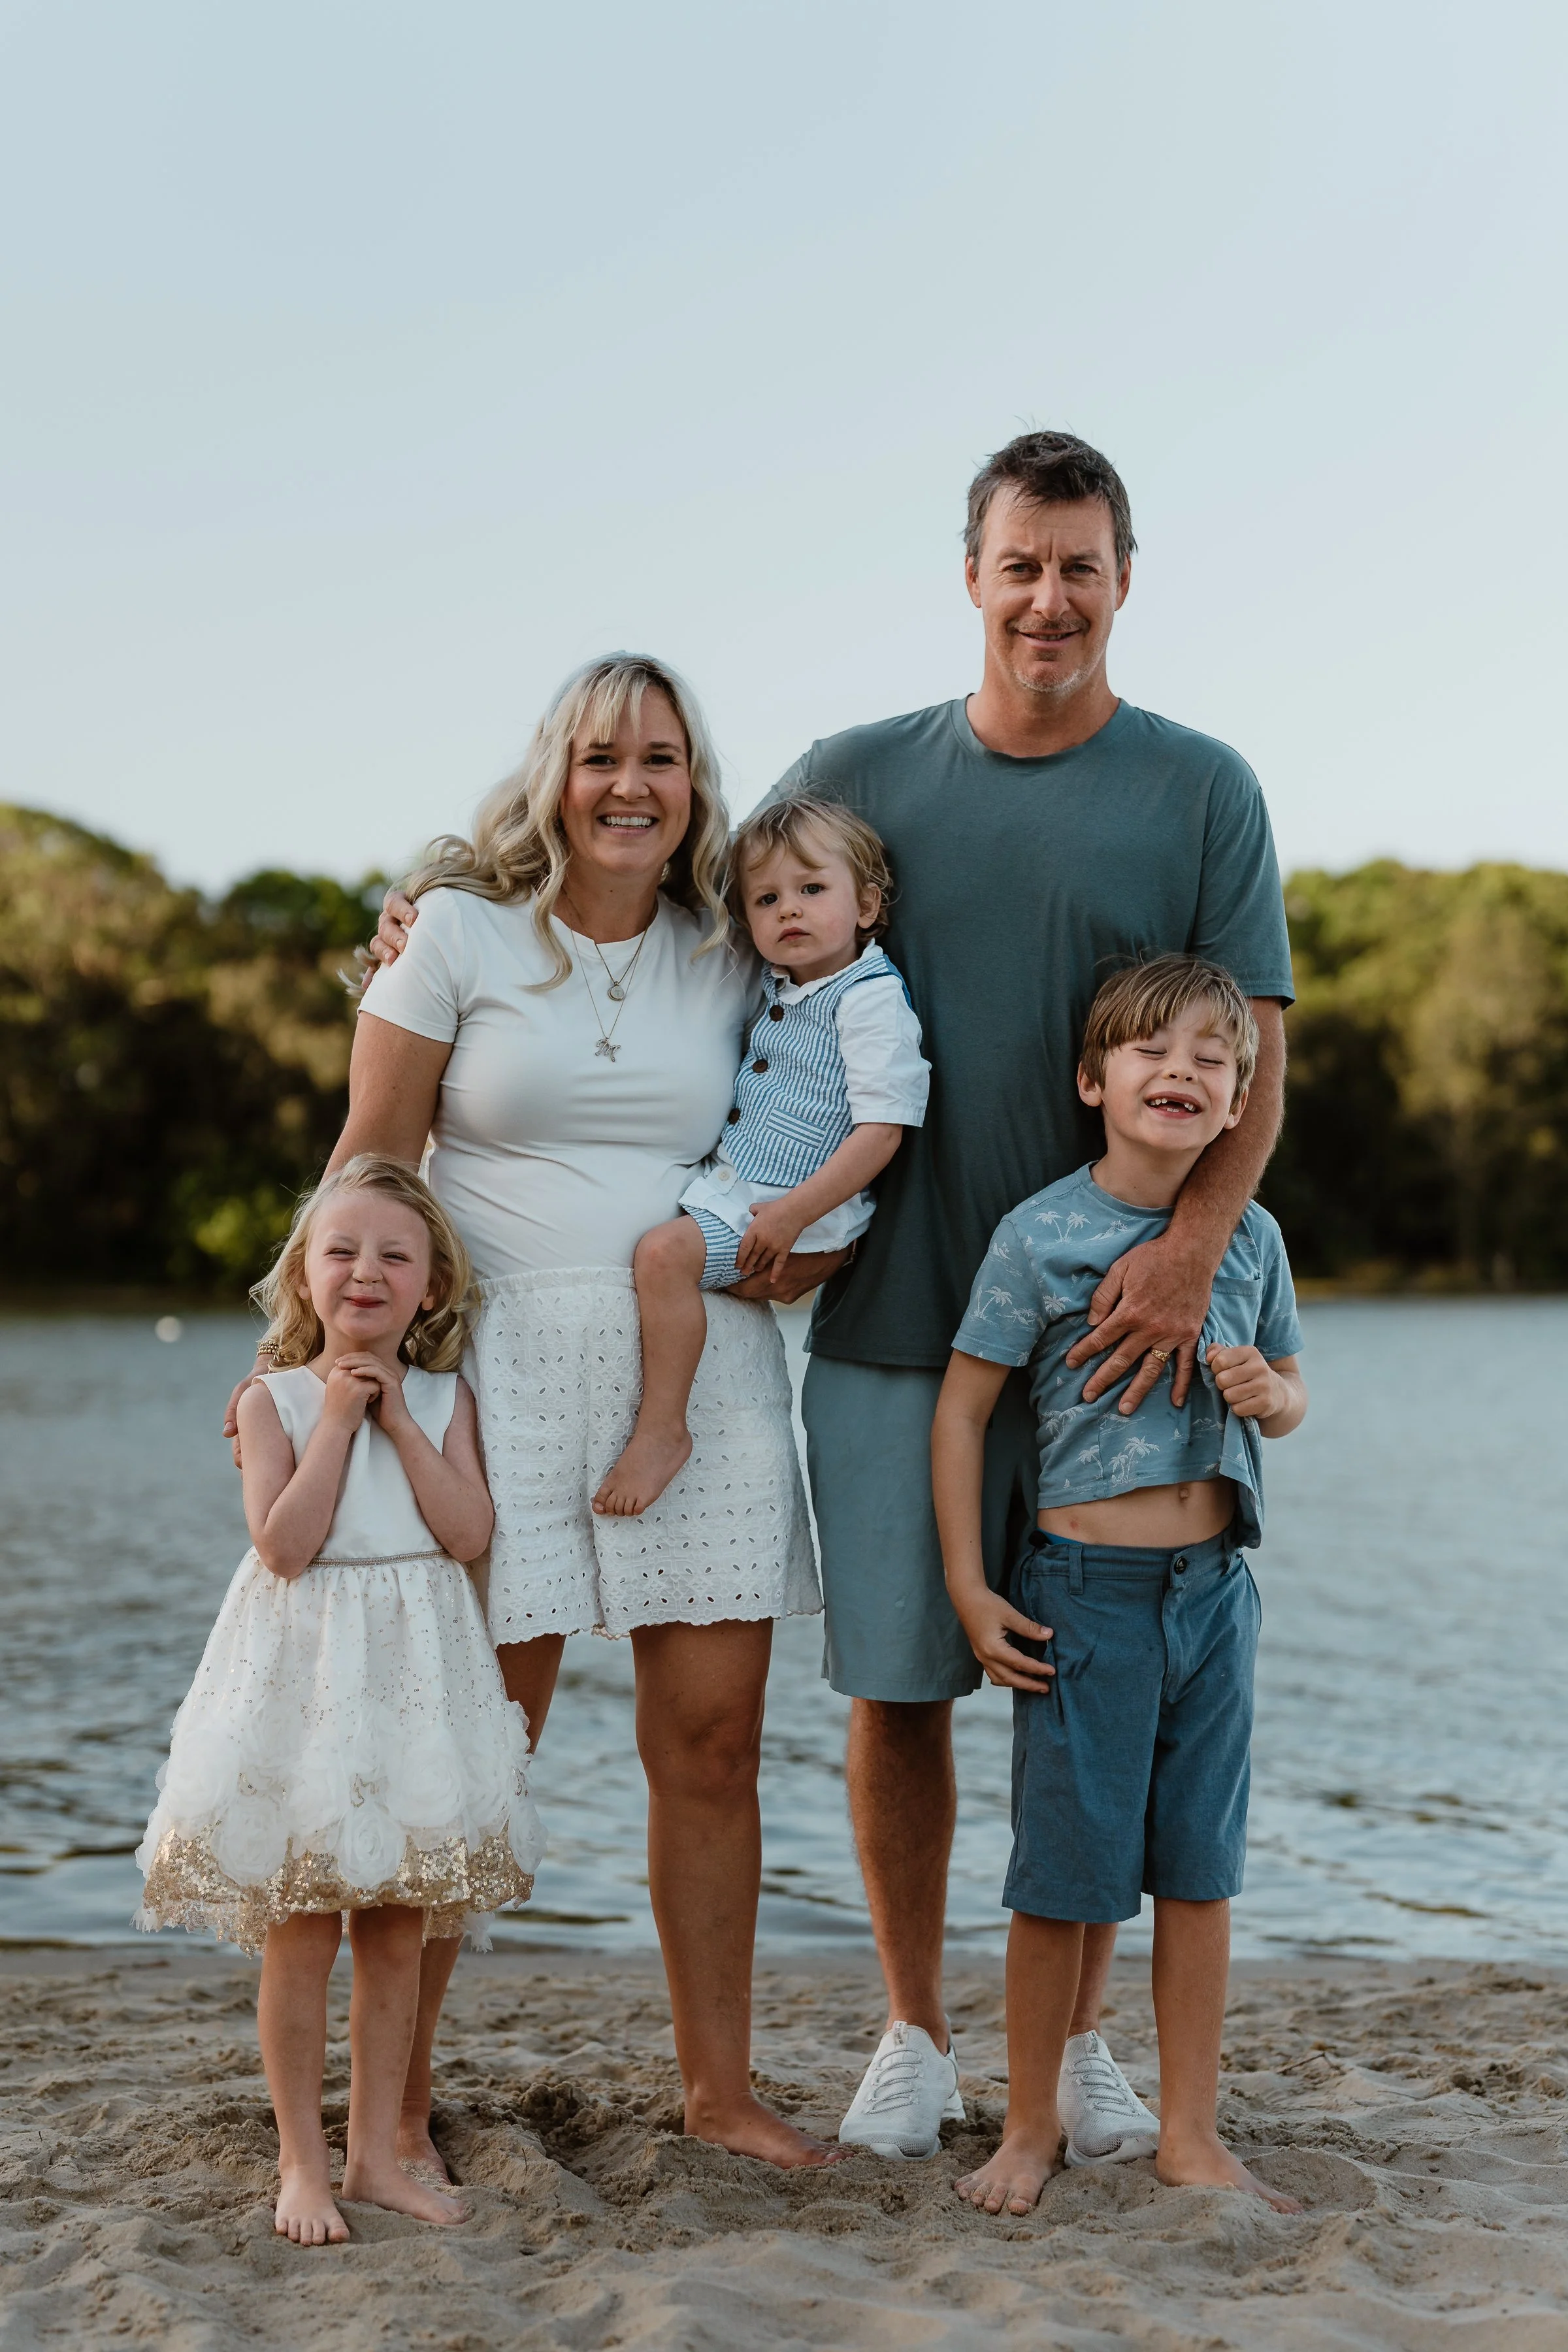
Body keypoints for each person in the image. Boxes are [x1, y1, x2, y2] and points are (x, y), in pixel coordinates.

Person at [771, 431, 1298, 2162]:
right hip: (892, 1322)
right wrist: (433, 921)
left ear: (1124, 581)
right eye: (1022, 565)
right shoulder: (856, 778)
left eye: (1081, 566)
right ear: (974, 578)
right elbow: (701, 945)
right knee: (900, 1691)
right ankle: (918, 2036)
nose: (1049, 599)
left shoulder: (1203, 788)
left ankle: (1072, 2053)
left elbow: (1260, 1068)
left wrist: (1192, 1253)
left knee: (1090, 1692)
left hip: (1123, 1342)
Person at [293, 653, 838, 2171]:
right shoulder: (454, 934)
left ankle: (720, 2098)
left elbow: (839, 1077)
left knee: (714, 1742)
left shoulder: (738, 956)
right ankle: (391, 2112)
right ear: (554, 775)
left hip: (702, 1369)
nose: (628, 783)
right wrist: (314, 1363)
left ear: (692, 785)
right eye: (600, 755)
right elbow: (368, 1157)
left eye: (659, 757)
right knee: (473, 1743)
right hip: (494, 1373)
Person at [932, 956, 1307, 2212]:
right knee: (1066, 1876)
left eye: (1215, 1057)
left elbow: (1294, 1392)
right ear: (1095, 1080)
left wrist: (1272, 1395)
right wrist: (970, 1587)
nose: (1185, 1072)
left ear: (1240, 1095)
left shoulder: (1248, 1237)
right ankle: (1028, 2129)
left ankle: (1189, 2132)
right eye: (1155, 1051)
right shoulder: (1041, 1235)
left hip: (1217, 1593)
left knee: (1201, 1872)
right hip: (1082, 1596)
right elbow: (963, 1408)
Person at [140, 1154, 543, 2243]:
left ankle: (376, 2153)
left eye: (395, 1256)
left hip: (412, 1677)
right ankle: (302, 2165)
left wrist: (399, 1423)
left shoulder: (450, 1398)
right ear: (305, 1279)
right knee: (303, 1928)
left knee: (398, 1929)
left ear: (432, 1288)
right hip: (306, 1678)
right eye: (342, 1251)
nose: (367, 1270)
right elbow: (283, 1546)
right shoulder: (269, 1400)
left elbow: (468, 1534)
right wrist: (334, 1422)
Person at [593, 794, 929, 1517]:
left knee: (661, 1257)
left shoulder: (868, 999)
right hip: (746, 1192)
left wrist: (790, 1218)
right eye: (768, 899)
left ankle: (662, 1431)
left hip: (793, 1209)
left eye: (812, 891)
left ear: (868, 904)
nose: (790, 912)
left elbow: (883, 1130)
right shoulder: (784, 985)